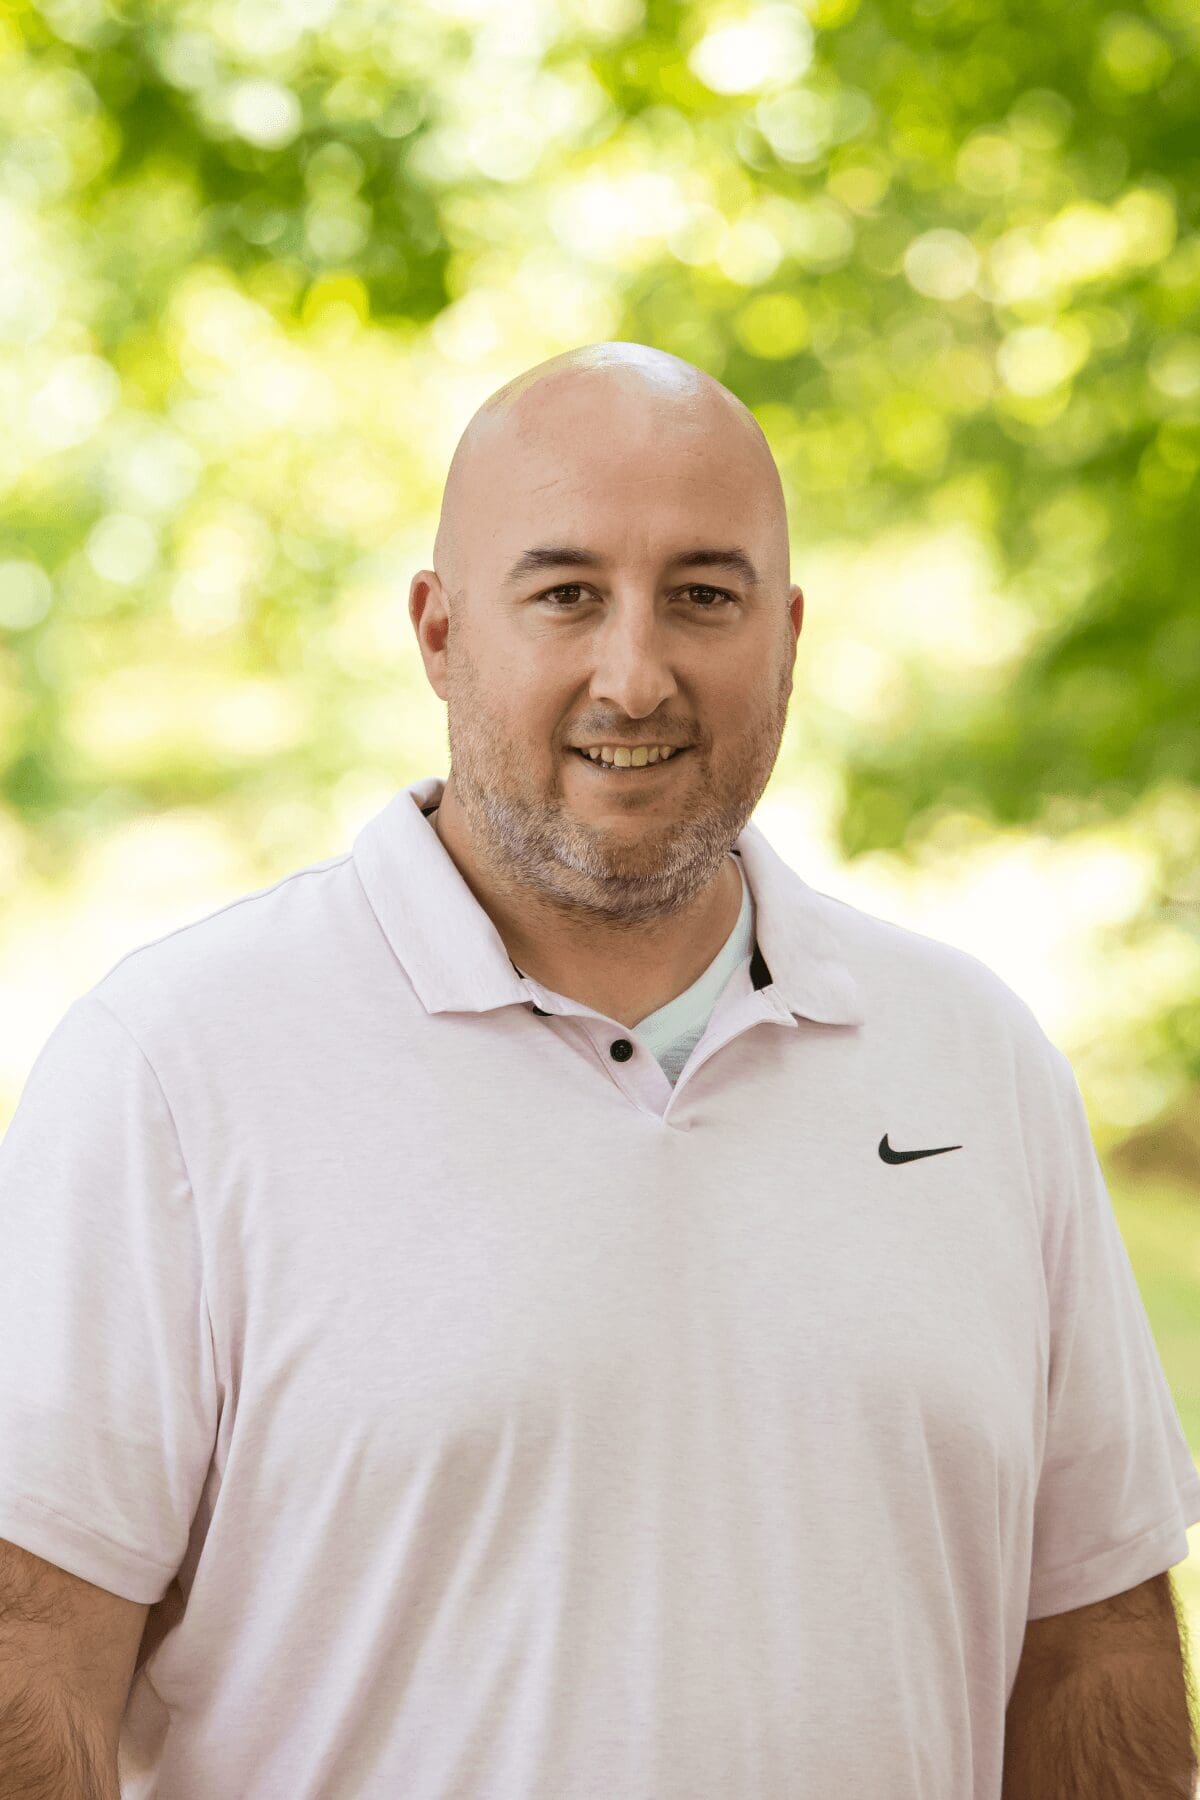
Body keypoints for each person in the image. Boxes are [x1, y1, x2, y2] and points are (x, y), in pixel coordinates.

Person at [0, 341, 1197, 1799]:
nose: (635, 675)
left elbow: (1097, 1644)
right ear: (441, 633)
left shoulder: (979, 1061)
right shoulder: (176, 1071)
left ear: (789, 633)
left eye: (703, 596)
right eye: (566, 594)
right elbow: (33, 1660)